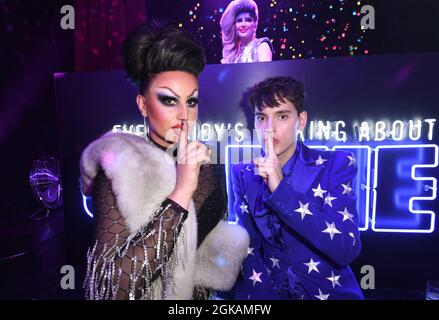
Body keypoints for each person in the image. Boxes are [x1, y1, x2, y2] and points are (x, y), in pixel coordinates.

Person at [80, 23, 249, 300]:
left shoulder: (209, 163)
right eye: (169, 100)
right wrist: (182, 191)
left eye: (191, 102)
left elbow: (204, 254)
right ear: (143, 105)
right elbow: (110, 290)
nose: (184, 115)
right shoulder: (119, 169)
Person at [231, 76, 364, 299]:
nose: (269, 129)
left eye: (282, 116)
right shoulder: (243, 174)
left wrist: (281, 189)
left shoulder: (335, 165)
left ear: (301, 121)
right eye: (262, 117)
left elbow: (346, 248)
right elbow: (249, 250)